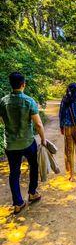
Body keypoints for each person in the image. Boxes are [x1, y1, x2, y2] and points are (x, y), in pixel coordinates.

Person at [0, 72, 46, 214]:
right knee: (34, 165)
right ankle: (32, 193)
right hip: (27, 142)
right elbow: (38, 124)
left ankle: (18, 203)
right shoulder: (29, 101)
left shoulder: (3, 101)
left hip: (11, 144)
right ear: (23, 84)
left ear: (11, 84)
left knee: (14, 172)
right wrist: (43, 139)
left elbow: (1, 120)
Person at [59, 83, 76, 181]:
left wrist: (61, 126)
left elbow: (61, 114)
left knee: (69, 150)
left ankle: (71, 174)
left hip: (67, 128)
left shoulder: (64, 100)